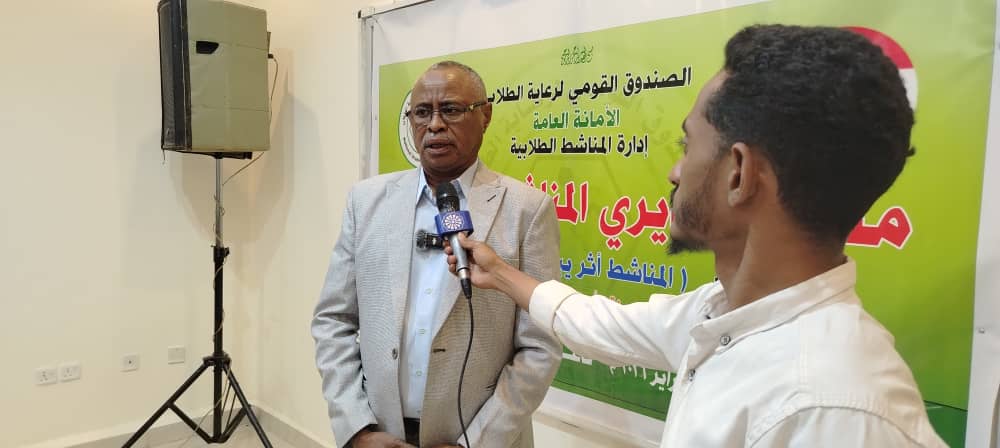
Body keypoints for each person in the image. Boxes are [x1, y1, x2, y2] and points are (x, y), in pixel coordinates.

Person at [446, 25, 947, 447]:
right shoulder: (723, 312)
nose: (674, 172)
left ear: (739, 174)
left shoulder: (834, 411)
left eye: (687, 146)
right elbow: (601, 324)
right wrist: (501, 273)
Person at [312, 60, 562, 448]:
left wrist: (473, 443)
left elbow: (540, 346)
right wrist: (357, 429)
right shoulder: (366, 201)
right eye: (421, 113)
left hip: (479, 438)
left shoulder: (527, 210)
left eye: (451, 109)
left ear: (485, 115)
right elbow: (333, 320)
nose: (434, 125)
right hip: (379, 433)